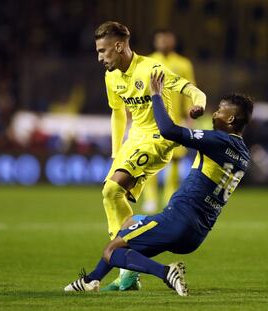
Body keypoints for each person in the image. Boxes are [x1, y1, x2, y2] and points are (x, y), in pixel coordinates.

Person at [64, 71, 253, 296]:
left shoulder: (218, 140)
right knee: (129, 225)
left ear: (231, 119)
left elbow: (168, 131)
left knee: (111, 250)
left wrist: (156, 96)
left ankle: (166, 273)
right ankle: (91, 280)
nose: (215, 113)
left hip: (177, 220)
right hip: (197, 233)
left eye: (221, 110)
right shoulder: (243, 154)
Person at [94, 21, 206, 290]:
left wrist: (199, 104)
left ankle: (125, 267)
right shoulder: (111, 76)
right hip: (135, 139)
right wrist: (115, 151)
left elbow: (191, 89)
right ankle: (131, 268)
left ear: (119, 46)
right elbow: (118, 112)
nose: (99, 57)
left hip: (159, 137)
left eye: (103, 51)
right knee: (110, 195)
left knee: (113, 189)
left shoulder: (150, 68)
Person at [143, 29, 197, 214]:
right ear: (155, 41)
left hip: (176, 120)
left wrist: (190, 116)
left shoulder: (183, 63)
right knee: (151, 160)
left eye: (167, 39)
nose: (164, 42)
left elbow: (189, 89)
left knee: (175, 161)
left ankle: (169, 198)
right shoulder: (147, 61)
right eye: (161, 39)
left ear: (173, 41)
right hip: (152, 119)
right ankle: (150, 199)